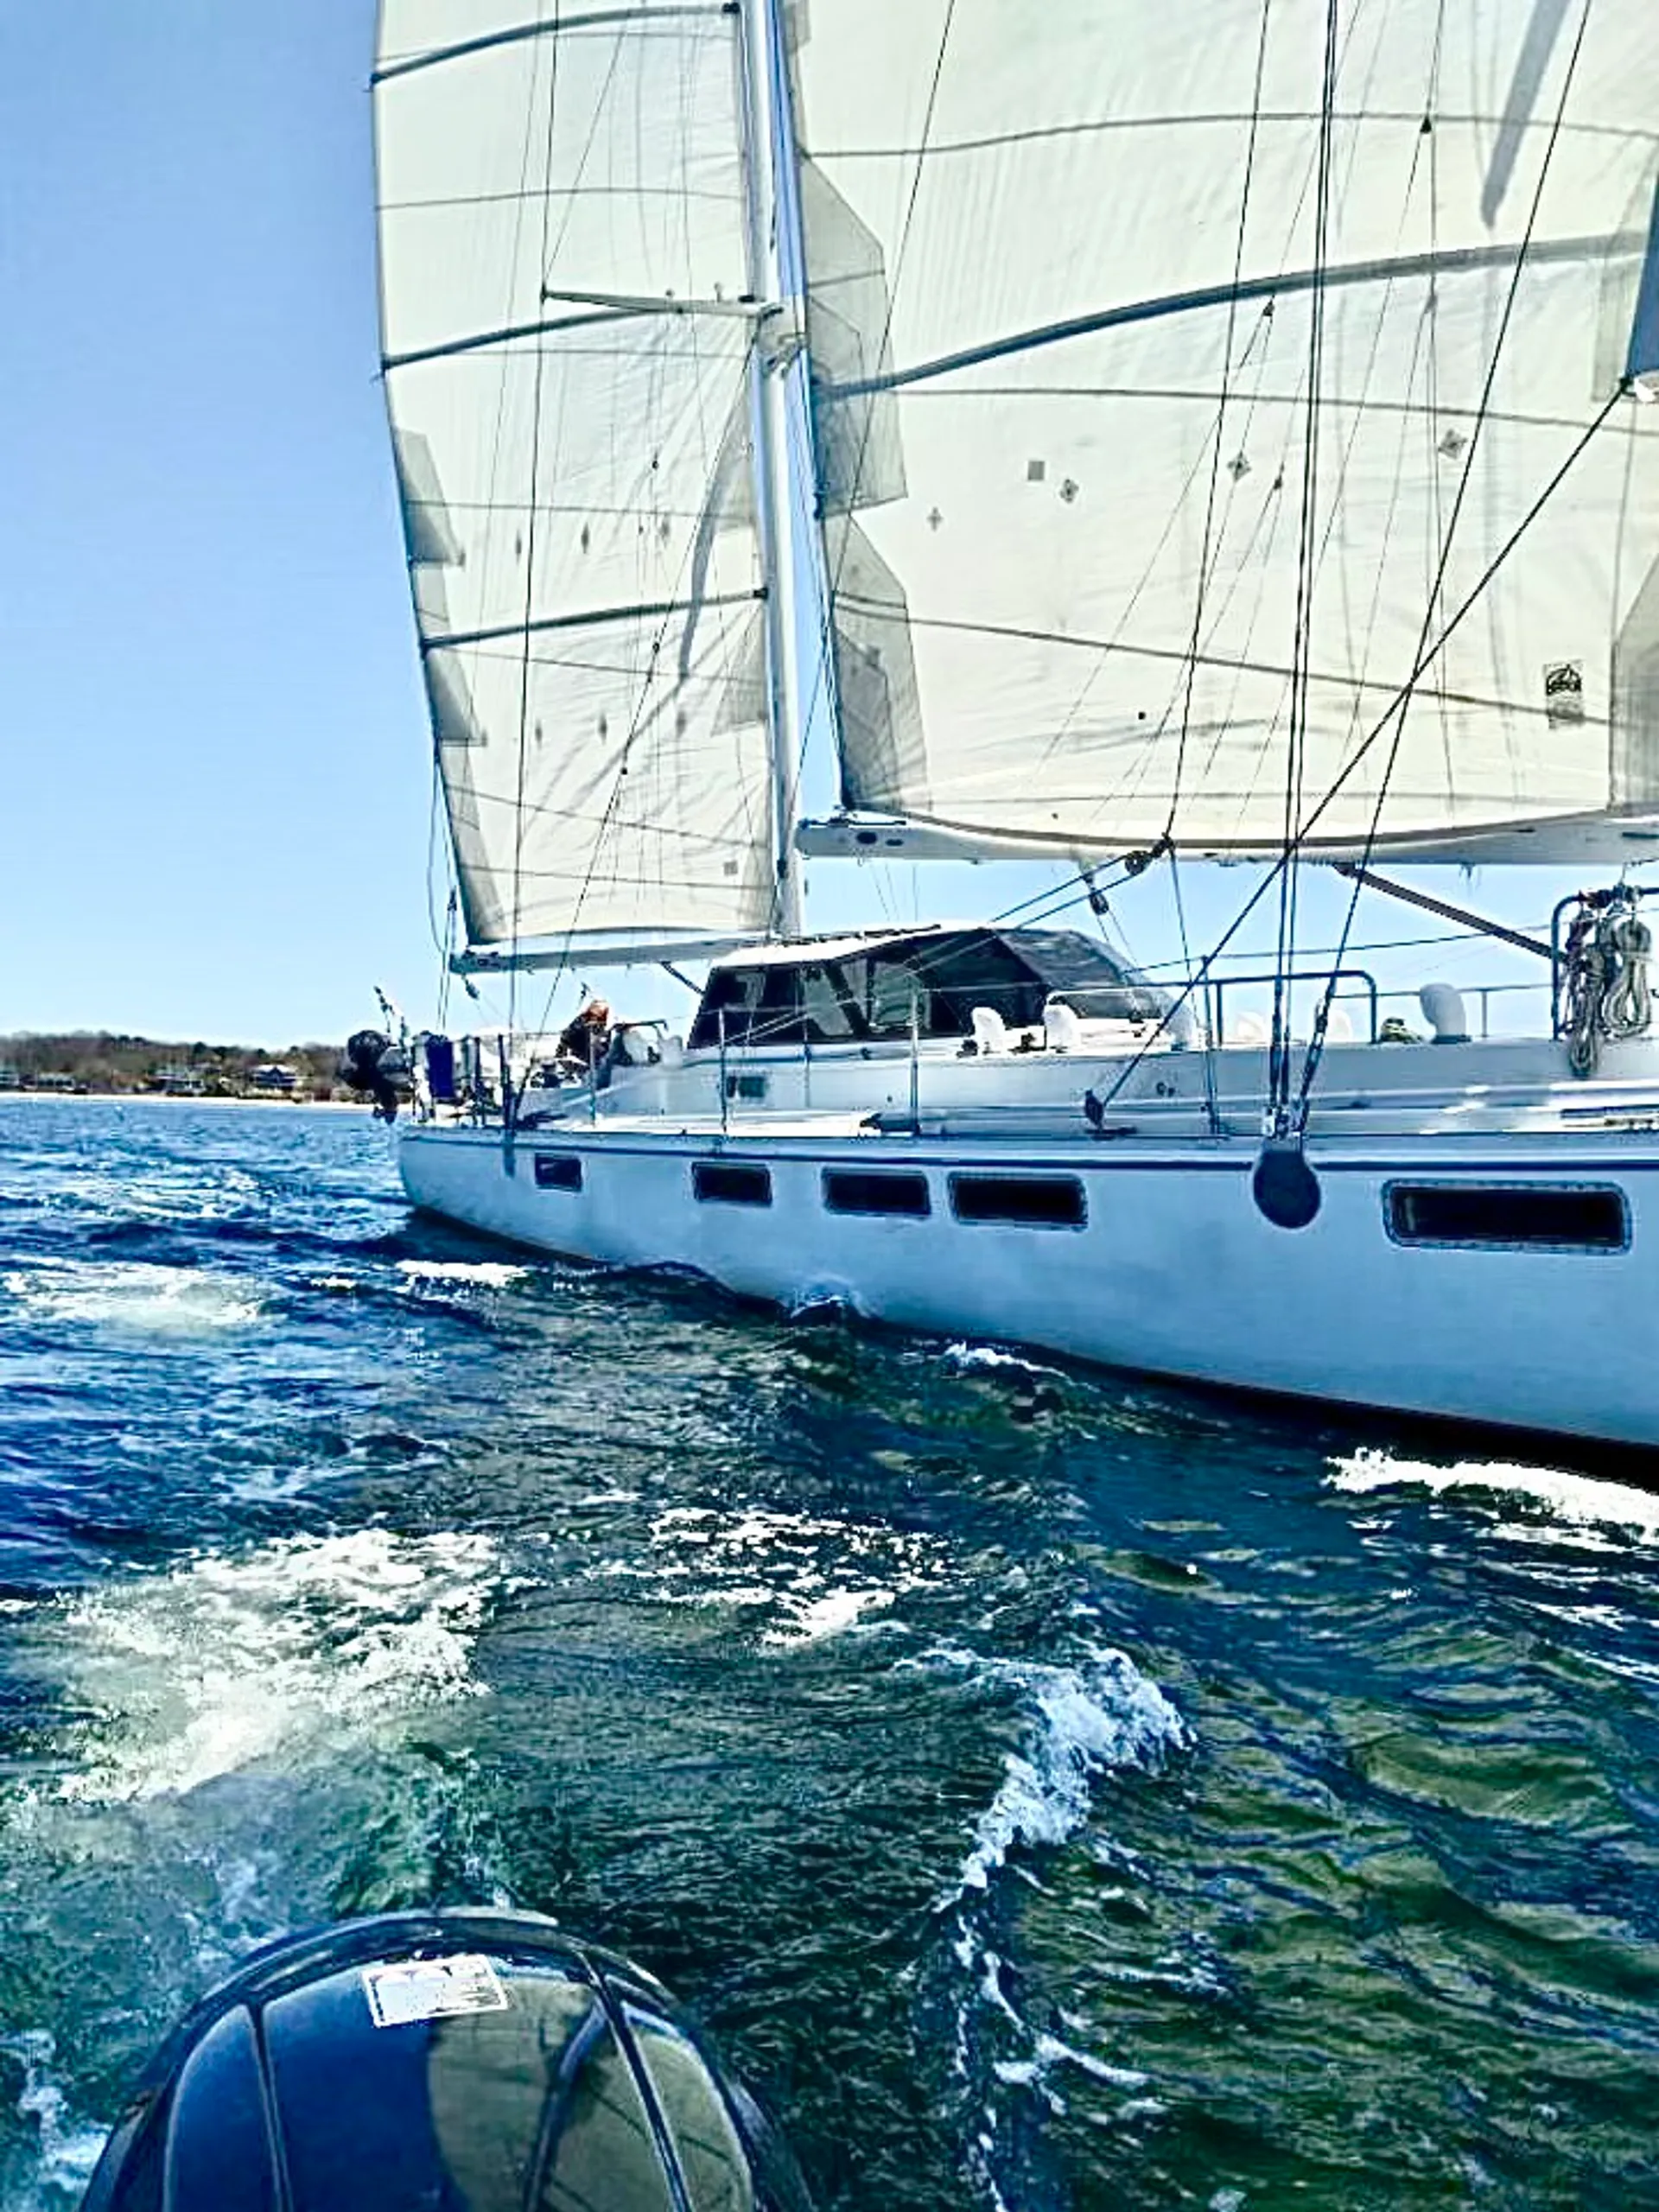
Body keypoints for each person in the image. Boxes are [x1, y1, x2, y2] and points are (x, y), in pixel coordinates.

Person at [555, 997, 611, 1075]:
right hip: (580, 1052)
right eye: (596, 1008)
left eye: (601, 1010)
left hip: (596, 1053)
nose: (598, 1012)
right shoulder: (581, 1020)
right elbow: (567, 1035)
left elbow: (605, 1037)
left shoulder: (604, 1023)